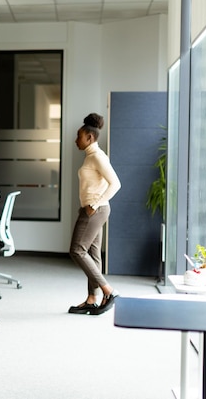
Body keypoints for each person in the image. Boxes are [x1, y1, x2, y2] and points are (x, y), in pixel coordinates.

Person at [68, 113, 121, 315]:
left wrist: (94, 204)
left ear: (90, 137)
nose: (76, 140)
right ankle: (92, 299)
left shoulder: (98, 156)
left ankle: (109, 291)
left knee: (77, 250)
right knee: (92, 253)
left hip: (95, 210)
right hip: (94, 209)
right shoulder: (91, 156)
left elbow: (116, 183)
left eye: (79, 136)